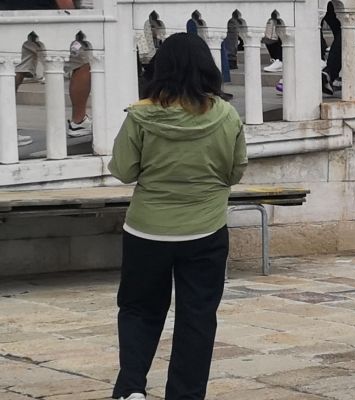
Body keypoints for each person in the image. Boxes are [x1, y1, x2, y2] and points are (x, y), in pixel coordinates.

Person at [107, 33, 248, 400]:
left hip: (146, 230)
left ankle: (131, 388)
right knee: (197, 317)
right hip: (205, 230)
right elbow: (235, 172)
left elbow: (123, 170)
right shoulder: (227, 115)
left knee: (139, 310)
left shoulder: (139, 114)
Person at [6, 0, 93, 147]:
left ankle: (4, 128)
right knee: (83, 61)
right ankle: (79, 121)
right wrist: (75, 19)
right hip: (45, 18)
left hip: (9, 15)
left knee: (12, 69)